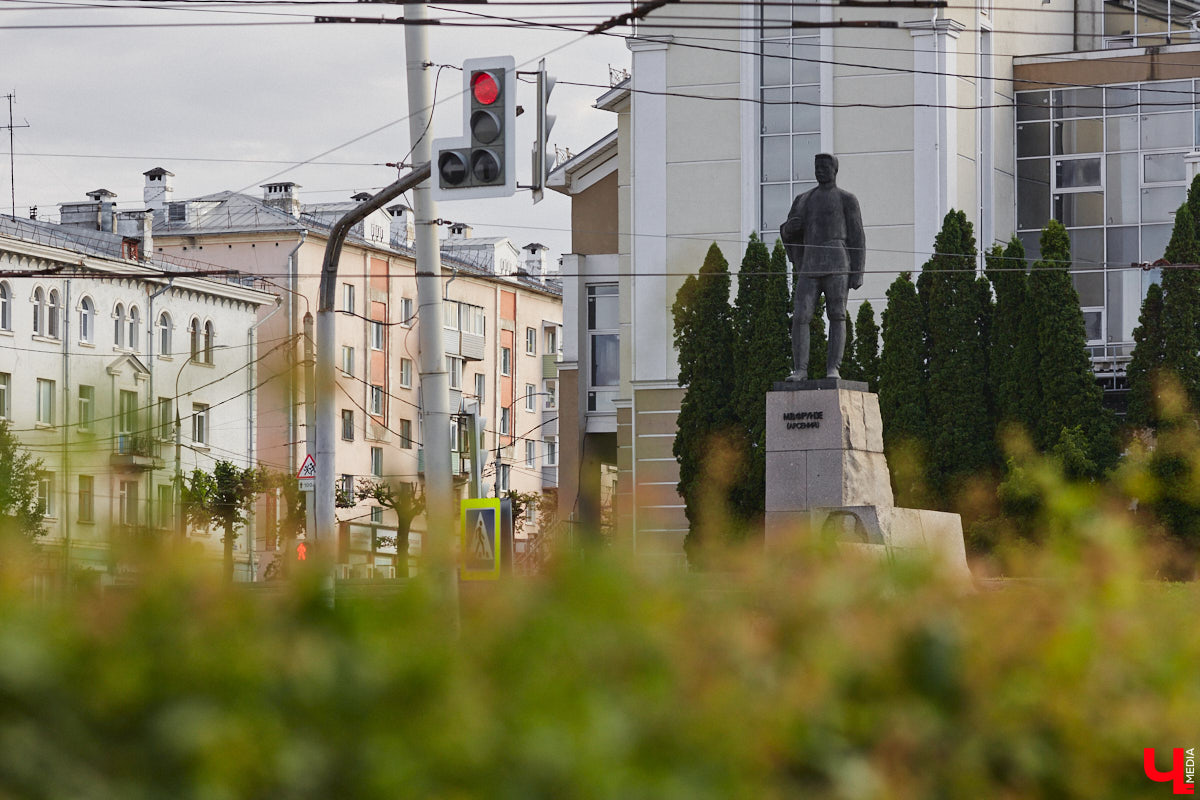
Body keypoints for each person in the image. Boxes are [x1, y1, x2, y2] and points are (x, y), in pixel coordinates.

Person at [780, 153, 865, 380]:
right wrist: (790, 228)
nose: (820, 170)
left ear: (834, 170)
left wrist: (857, 272)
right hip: (809, 264)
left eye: (825, 166)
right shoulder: (803, 199)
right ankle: (800, 370)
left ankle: (833, 368)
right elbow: (787, 231)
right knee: (801, 316)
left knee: (837, 315)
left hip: (838, 263)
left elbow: (857, 237)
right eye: (817, 166)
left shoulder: (847, 199)